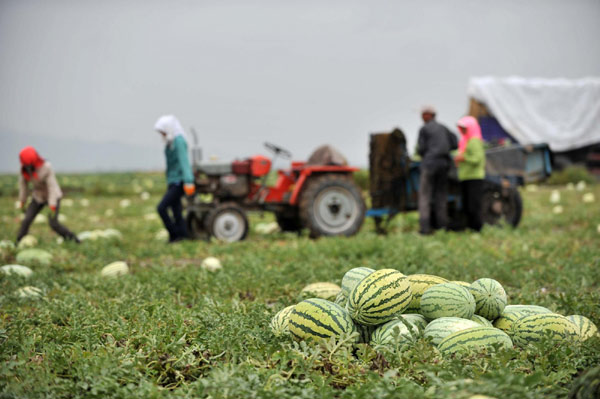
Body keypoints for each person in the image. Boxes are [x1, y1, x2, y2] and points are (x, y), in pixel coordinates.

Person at [16, 146, 79, 243]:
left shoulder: (46, 167)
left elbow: (52, 187)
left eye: (30, 165)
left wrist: (52, 205)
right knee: (27, 219)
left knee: (53, 223)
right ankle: (18, 242)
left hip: (53, 196)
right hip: (38, 197)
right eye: (26, 165)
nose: (28, 167)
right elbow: (23, 186)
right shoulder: (24, 170)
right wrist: (22, 201)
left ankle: (74, 240)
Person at [416, 106, 458, 235]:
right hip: (444, 164)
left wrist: (427, 152)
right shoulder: (443, 128)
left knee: (425, 196)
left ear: (429, 115)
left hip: (430, 164)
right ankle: (442, 226)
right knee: (441, 196)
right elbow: (454, 143)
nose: (422, 117)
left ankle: (425, 228)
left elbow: (421, 149)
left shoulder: (424, 129)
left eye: (424, 114)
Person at [154, 115, 196, 243]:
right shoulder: (171, 141)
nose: (162, 134)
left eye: (163, 131)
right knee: (176, 209)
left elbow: (184, 162)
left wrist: (189, 181)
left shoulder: (178, 141)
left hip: (180, 181)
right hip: (173, 181)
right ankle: (183, 235)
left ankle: (174, 234)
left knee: (161, 208)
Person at [454, 116, 486, 231]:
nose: (462, 130)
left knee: (474, 205)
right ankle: (469, 227)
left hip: (475, 177)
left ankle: (477, 228)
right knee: (467, 205)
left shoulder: (474, 141)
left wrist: (464, 158)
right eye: (461, 128)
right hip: (465, 176)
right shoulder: (464, 141)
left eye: (464, 127)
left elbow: (478, 159)